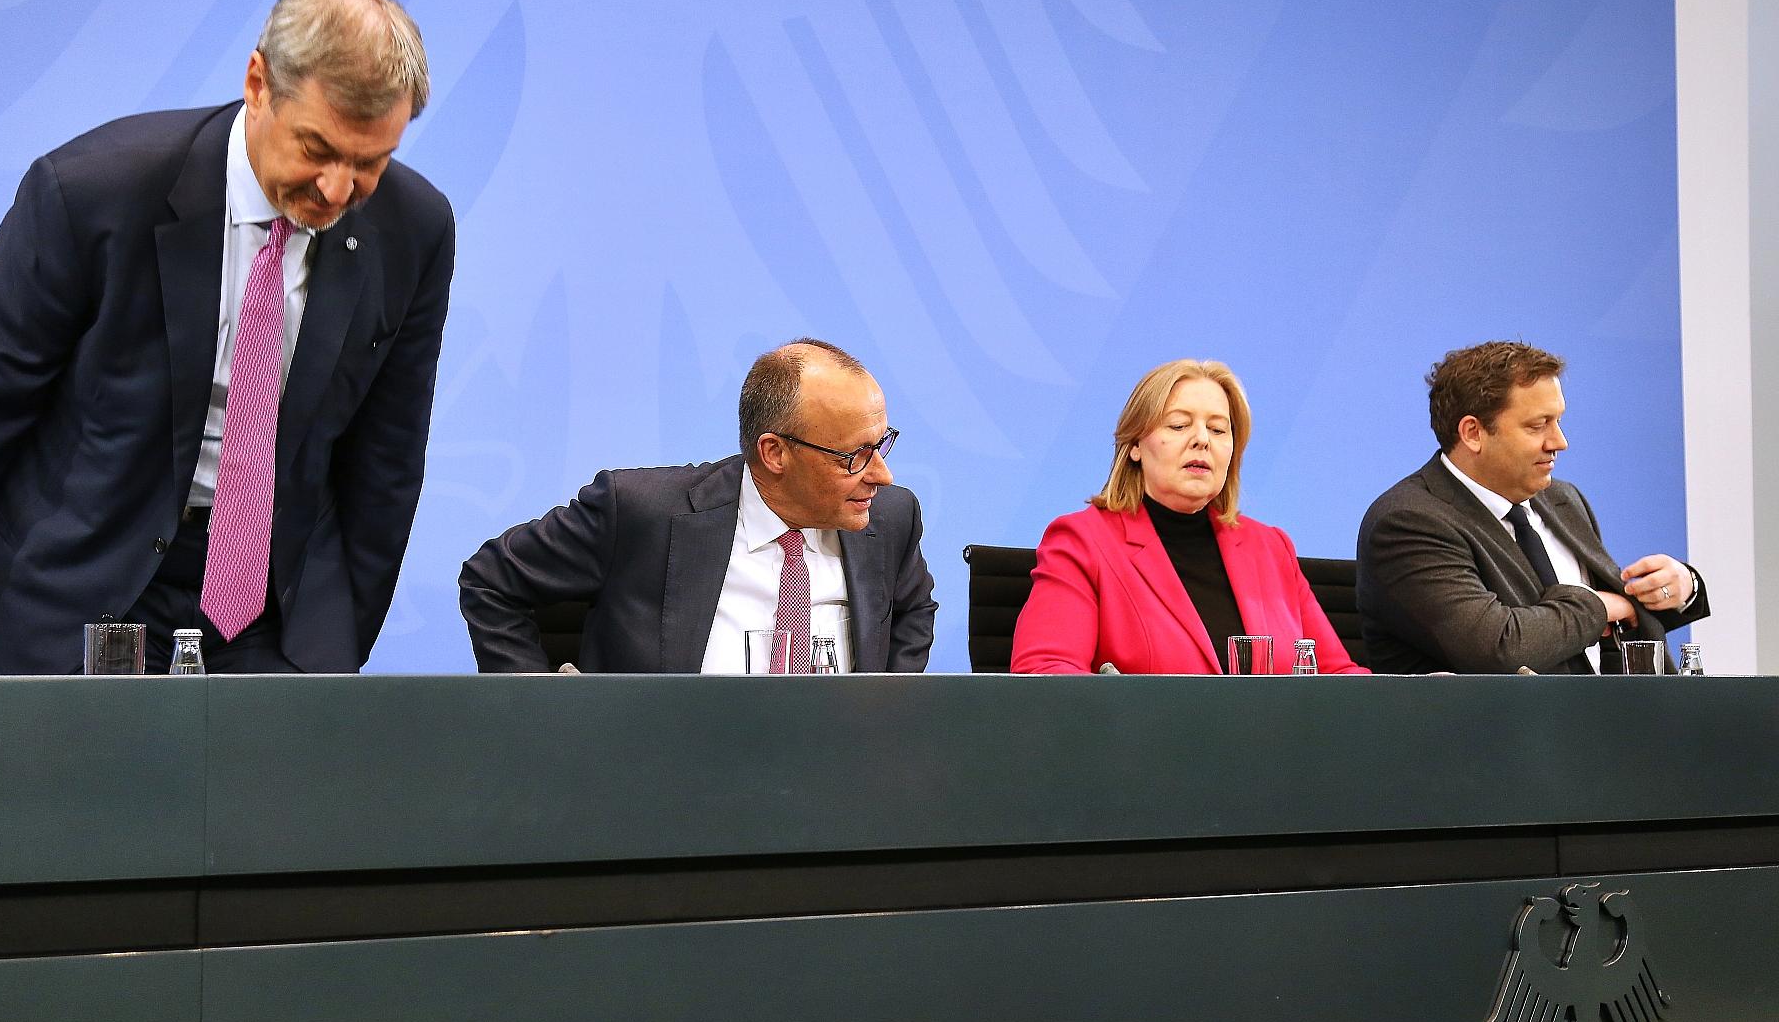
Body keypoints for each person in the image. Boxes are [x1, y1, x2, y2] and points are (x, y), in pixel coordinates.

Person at [0, 0, 454, 675]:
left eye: (369, 162)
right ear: (258, 84)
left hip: (271, 618)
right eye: (317, 149)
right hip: (80, 589)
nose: (336, 189)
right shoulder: (92, 194)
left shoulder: (415, 231)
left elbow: (387, 465)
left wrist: (337, 640)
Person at [461, 339, 936, 673]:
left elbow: (912, 608)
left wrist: (888, 721)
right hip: (668, 775)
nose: (882, 475)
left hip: (829, 774)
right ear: (775, 453)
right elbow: (491, 579)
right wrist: (542, 713)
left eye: (881, 444)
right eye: (854, 456)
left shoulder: (890, 519)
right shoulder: (639, 512)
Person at [1356, 341, 1708, 674]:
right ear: (1473, 433)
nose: (1560, 442)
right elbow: (1498, 647)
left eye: (1558, 421)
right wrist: (1598, 607)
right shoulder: (1408, 521)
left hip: (1614, 711)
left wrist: (1681, 588)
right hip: (1496, 719)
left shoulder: (1563, 499)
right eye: (1538, 426)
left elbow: (1622, 615)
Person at [1011, 359, 1364, 675]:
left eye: (1218, 429)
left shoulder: (1271, 549)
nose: (1202, 440)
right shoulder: (1083, 542)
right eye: (1179, 425)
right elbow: (1045, 672)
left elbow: (1340, 676)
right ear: (1135, 445)